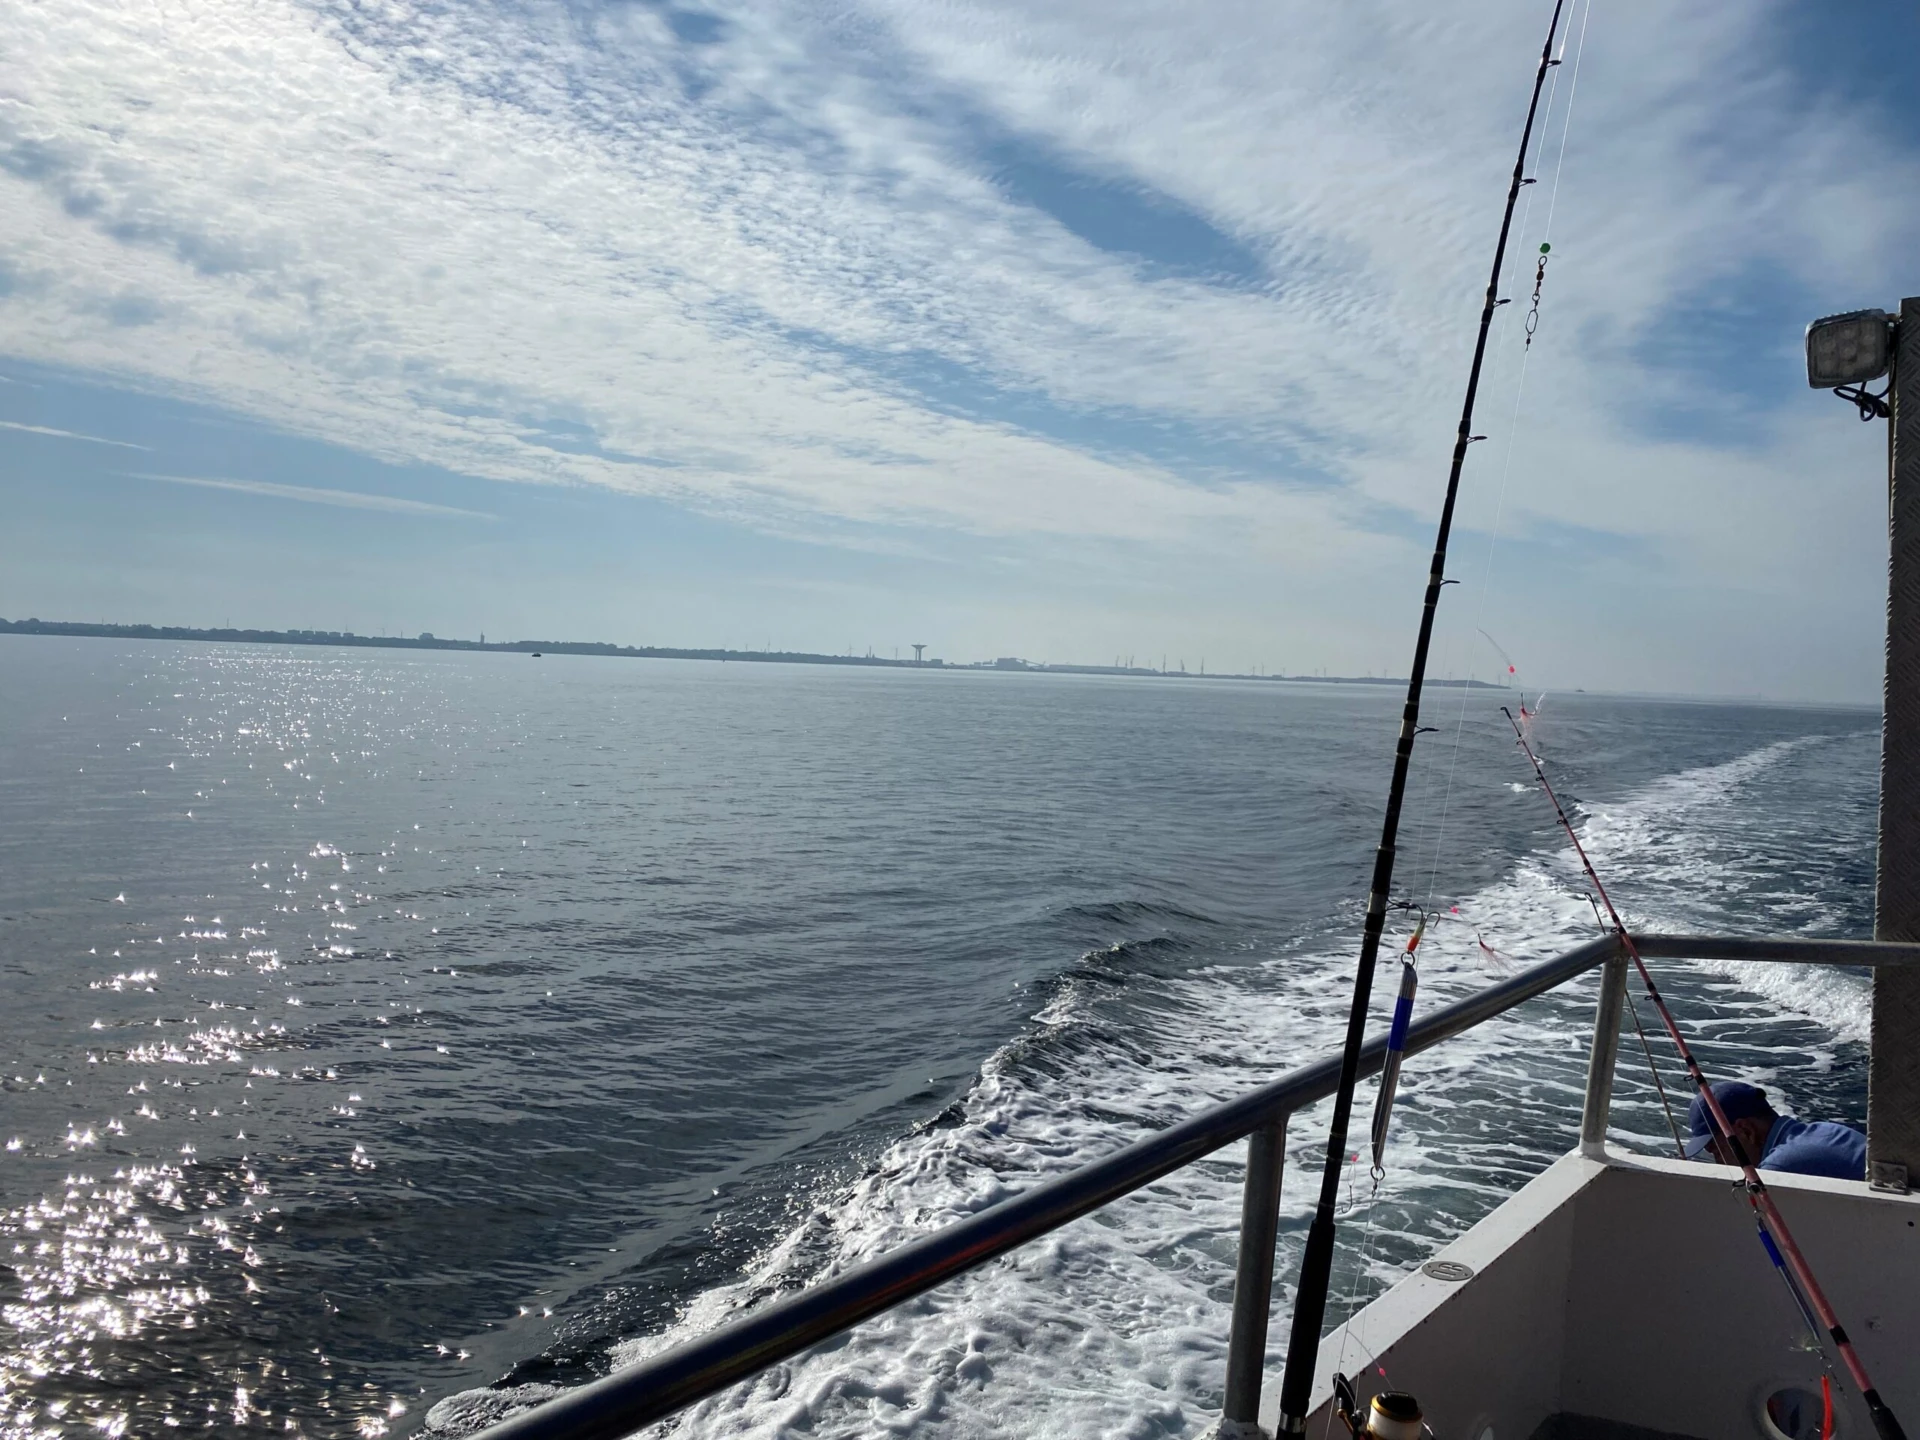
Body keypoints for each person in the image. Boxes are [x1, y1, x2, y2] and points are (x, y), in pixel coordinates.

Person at [1682, 1080, 1866, 1182]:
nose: (1717, 1160)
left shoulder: (1779, 1169)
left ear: (1746, 1131)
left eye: (1714, 1147)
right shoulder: (1826, 1130)